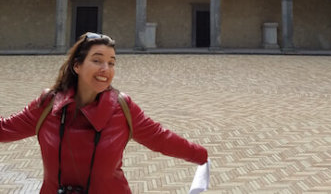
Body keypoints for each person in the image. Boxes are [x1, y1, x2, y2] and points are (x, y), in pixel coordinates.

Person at [0, 32, 208, 193]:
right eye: (97, 60)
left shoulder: (123, 108)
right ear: (77, 66)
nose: (105, 69)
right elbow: (3, 129)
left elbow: (161, 138)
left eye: (111, 63)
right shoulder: (47, 106)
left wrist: (201, 155)